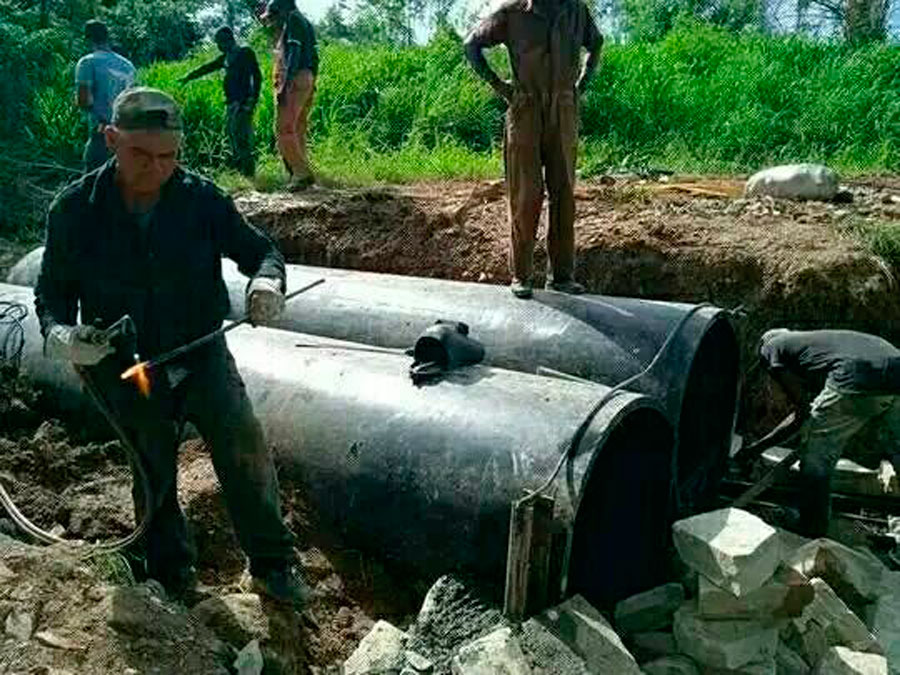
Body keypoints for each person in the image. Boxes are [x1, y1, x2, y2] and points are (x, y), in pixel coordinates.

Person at [34, 87, 306, 607]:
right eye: (141, 155)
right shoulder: (74, 210)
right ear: (111, 139)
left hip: (200, 352)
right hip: (127, 364)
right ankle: (170, 573)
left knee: (242, 445)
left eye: (168, 156)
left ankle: (273, 565)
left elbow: (261, 252)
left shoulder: (201, 200)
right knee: (152, 465)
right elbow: (51, 294)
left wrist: (266, 283)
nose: (156, 168)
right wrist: (63, 335)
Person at [464, 0, 603, 299]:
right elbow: (471, 45)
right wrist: (501, 87)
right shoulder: (512, 13)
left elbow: (597, 43)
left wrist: (581, 84)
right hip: (525, 108)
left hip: (564, 109)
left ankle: (562, 277)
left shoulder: (576, 11)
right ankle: (521, 275)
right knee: (526, 194)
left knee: (564, 192)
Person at [741, 328, 900, 538]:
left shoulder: (771, 348)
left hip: (855, 375)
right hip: (895, 371)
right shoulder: (815, 344)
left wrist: (756, 449)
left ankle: (811, 528)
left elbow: (802, 414)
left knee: (816, 461)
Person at [179, 27, 262, 177]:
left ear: (228, 40)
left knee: (242, 137)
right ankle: (241, 172)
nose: (218, 46)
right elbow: (207, 68)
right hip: (231, 103)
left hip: (243, 103)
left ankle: (250, 173)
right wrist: (188, 77)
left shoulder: (245, 53)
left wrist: (252, 100)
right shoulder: (226, 57)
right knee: (232, 136)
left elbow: (257, 76)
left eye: (219, 43)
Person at [261, 0, 319, 190]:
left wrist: (285, 85)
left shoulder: (293, 20)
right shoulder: (303, 22)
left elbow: (294, 52)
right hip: (305, 77)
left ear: (285, 9)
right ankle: (301, 172)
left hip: (295, 78)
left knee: (283, 129)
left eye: (276, 14)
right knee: (297, 129)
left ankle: (301, 174)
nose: (274, 19)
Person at [75, 20, 136, 173]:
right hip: (126, 133)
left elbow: (84, 101)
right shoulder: (128, 65)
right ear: (108, 37)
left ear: (87, 38)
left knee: (92, 181)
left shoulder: (87, 62)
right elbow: (135, 100)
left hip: (101, 132)